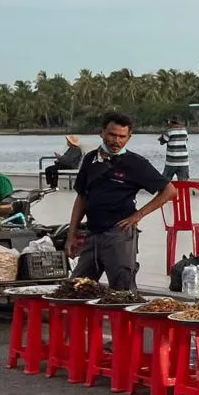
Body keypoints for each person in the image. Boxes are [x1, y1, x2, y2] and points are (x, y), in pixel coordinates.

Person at [65, 112, 176, 291]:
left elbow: (169, 191)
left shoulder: (136, 163)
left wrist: (137, 216)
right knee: (75, 288)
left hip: (119, 235)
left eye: (122, 137)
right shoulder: (90, 159)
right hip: (92, 234)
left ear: (129, 138)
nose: (116, 140)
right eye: (112, 134)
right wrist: (71, 235)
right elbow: (81, 198)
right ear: (102, 133)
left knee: (122, 290)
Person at [158, 117, 190, 181]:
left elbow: (162, 142)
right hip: (184, 161)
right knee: (184, 183)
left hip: (171, 162)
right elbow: (186, 140)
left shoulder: (169, 131)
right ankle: (182, 191)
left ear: (171, 123)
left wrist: (165, 131)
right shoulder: (184, 131)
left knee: (165, 182)